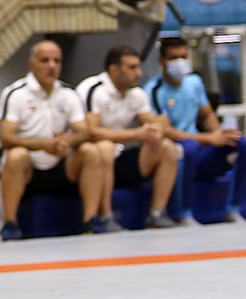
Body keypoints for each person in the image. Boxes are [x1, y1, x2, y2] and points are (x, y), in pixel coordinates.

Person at [0, 40, 117, 240]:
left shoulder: (68, 94)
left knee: (90, 150)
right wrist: (42, 144)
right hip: (30, 167)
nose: (51, 66)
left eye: (56, 61)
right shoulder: (15, 93)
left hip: (61, 164)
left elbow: (85, 131)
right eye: (45, 60)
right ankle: (10, 224)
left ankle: (91, 219)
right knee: (16, 155)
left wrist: (67, 141)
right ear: (32, 64)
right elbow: (5, 137)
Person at [145, 36, 246, 223]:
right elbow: (166, 131)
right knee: (189, 147)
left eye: (183, 57)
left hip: (200, 148)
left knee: (244, 144)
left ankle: (233, 209)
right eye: (173, 58)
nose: (180, 62)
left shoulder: (194, 82)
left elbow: (207, 114)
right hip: (176, 152)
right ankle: (184, 213)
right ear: (162, 60)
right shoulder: (154, 90)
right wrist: (208, 138)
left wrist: (217, 133)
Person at [76, 45, 179, 228]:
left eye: (139, 67)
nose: (139, 73)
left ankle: (157, 212)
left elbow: (154, 123)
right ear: (114, 69)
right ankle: (106, 216)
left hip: (120, 158)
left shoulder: (137, 94)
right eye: (132, 68)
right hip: (90, 160)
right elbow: (92, 133)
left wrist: (156, 128)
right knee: (104, 147)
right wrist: (136, 134)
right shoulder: (93, 89)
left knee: (167, 147)